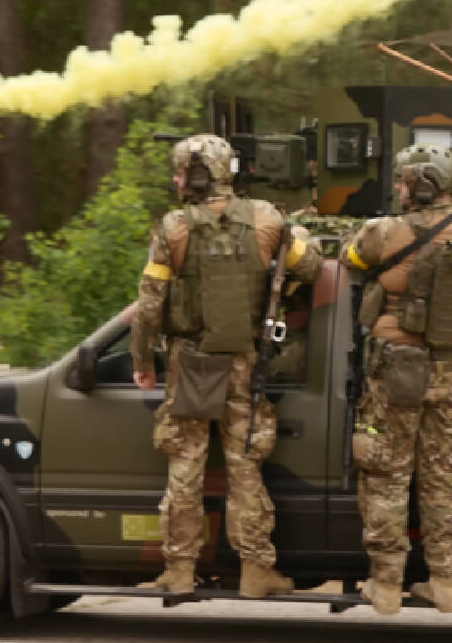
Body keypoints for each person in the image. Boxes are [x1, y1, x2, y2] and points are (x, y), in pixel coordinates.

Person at [128, 134, 321, 598]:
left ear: (197, 176)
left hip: (190, 363)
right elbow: (311, 268)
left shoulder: (172, 229)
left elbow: (150, 305)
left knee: (186, 464)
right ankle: (256, 570)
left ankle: (178, 569)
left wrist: (142, 360)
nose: (175, 180)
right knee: (246, 466)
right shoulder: (268, 219)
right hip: (246, 364)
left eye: (179, 172)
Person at [343, 144, 452, 615]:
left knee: (386, 476)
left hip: (393, 375)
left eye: (403, 181)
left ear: (421, 184)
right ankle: (444, 584)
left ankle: (385, 586)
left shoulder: (384, 233)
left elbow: (351, 261)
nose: (398, 189)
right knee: (442, 481)